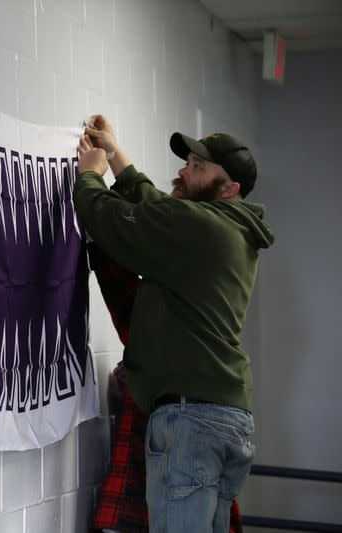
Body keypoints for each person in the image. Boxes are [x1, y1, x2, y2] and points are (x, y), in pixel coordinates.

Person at [74, 115, 274, 532]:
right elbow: (157, 206)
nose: (183, 170)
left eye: (198, 167)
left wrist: (89, 178)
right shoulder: (228, 229)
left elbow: (114, 222)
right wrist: (113, 156)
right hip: (223, 416)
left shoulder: (201, 228)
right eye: (188, 161)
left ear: (230, 188)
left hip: (193, 420)